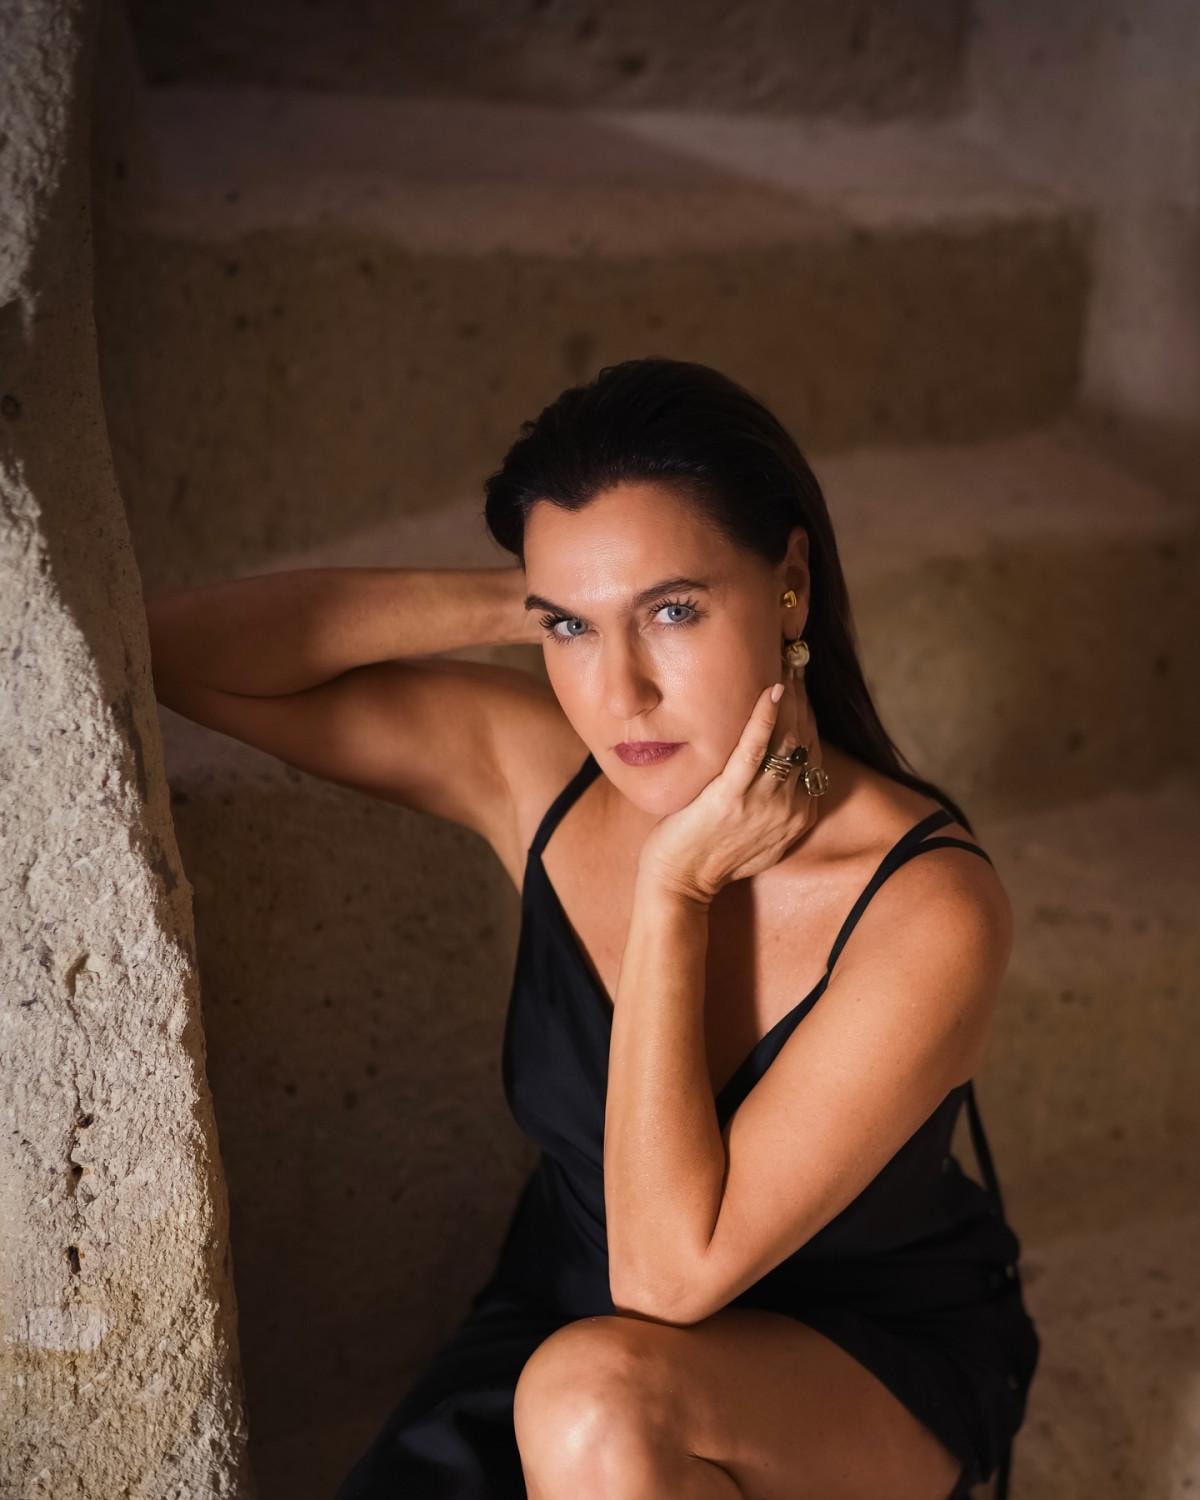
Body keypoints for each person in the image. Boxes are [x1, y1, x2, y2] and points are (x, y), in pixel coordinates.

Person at [147, 357, 1040, 1499]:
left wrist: (675, 892)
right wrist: (526, 599)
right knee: (572, 1401)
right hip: (555, 1334)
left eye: (672, 610)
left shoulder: (928, 907)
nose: (620, 693)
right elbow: (173, 653)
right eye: (572, 629)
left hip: (844, 1369)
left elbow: (666, 1280)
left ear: (790, 584)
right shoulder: (547, 774)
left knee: (593, 1404)